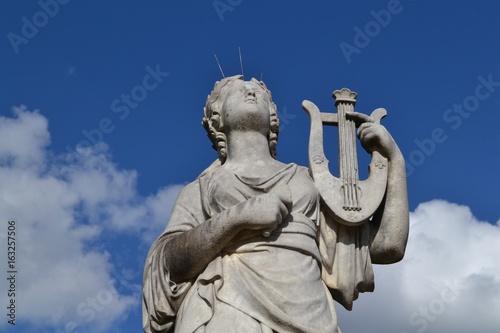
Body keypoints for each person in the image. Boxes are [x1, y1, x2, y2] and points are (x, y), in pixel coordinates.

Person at [142, 75, 409, 333]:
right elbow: (168, 266)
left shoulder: (310, 182)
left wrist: (394, 161)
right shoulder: (201, 188)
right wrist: (238, 218)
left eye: (259, 92)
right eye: (237, 90)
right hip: (227, 302)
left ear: (273, 115)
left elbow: (387, 246)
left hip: (309, 310)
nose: (250, 92)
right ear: (217, 118)